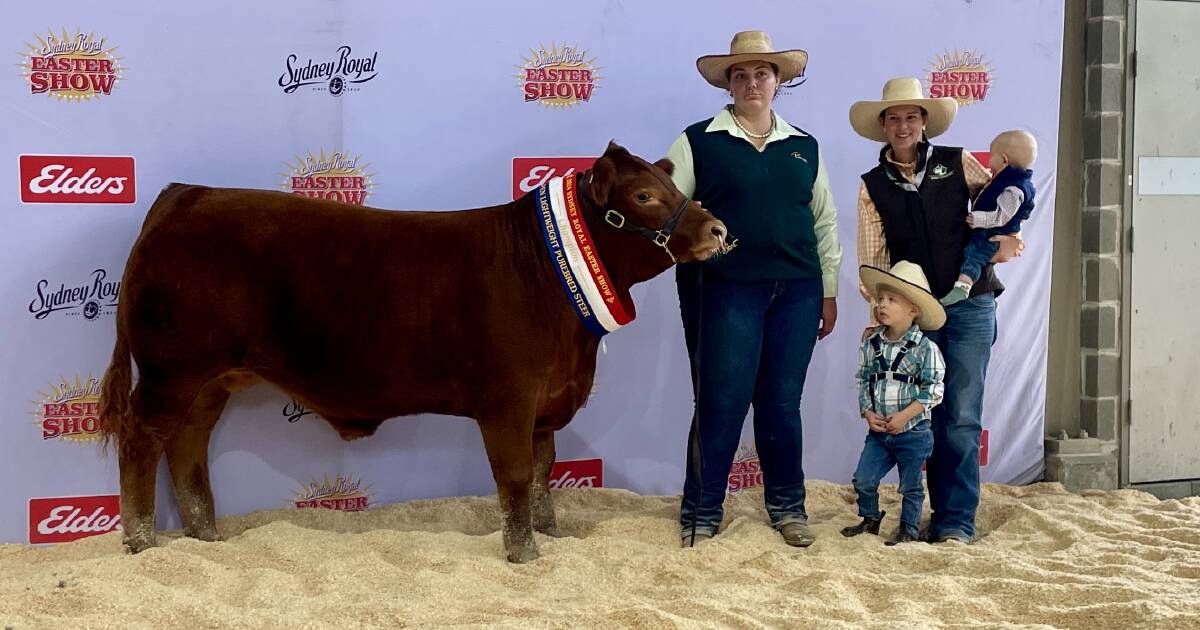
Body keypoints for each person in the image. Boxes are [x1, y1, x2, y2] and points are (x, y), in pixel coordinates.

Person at [668, 31, 842, 548]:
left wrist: (827, 291)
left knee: (782, 406)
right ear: (728, 83)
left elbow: (824, 222)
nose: (751, 83)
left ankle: (788, 507)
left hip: (798, 289)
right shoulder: (697, 140)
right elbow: (669, 211)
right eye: (739, 75)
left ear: (778, 82)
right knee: (720, 402)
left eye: (761, 74)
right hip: (724, 289)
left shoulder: (804, 145)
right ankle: (700, 511)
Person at [848, 77, 1022, 543]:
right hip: (917, 313)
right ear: (882, 126)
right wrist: (878, 319)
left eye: (911, 116)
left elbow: (1003, 207)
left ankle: (956, 520)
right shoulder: (871, 187)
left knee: (962, 415)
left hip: (972, 303)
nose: (902, 125)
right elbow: (876, 262)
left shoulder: (957, 161)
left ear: (924, 122)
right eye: (893, 118)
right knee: (924, 414)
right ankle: (936, 512)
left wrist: (1005, 242)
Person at [841, 261, 945, 545]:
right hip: (879, 432)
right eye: (881, 299)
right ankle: (870, 518)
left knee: (910, 485)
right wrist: (867, 412)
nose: (882, 305)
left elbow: (934, 389)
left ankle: (909, 530)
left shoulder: (926, 349)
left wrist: (905, 417)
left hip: (913, 432)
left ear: (913, 310)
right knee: (863, 479)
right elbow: (863, 378)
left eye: (891, 300)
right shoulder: (871, 344)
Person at [940, 130, 1038, 306]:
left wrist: (979, 219)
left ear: (1004, 160)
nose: (988, 161)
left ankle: (963, 286)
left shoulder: (1014, 188)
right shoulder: (1002, 179)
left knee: (975, 253)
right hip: (990, 228)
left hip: (993, 231)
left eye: (992, 156)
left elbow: (1002, 216)